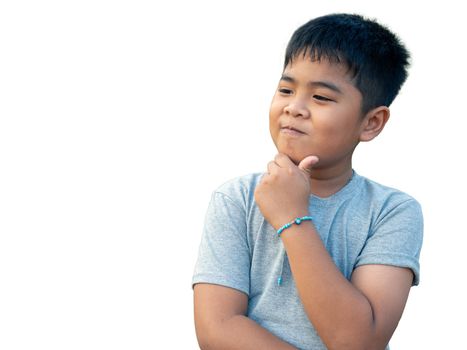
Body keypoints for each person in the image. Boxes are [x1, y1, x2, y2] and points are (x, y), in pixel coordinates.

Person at [192, 13, 423, 350]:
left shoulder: (392, 212)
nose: (295, 107)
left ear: (371, 122)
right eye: (286, 89)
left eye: (321, 98)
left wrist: (291, 218)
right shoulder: (237, 199)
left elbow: (359, 342)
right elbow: (217, 329)